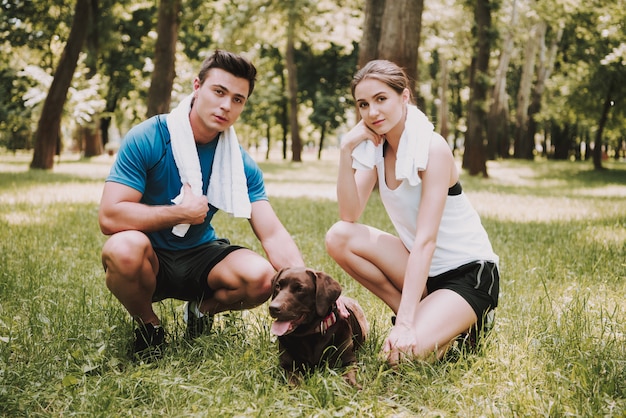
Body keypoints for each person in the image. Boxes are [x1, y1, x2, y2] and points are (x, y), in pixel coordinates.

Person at [99, 50, 304, 361]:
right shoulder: (149, 137)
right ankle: (149, 327)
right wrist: (181, 213)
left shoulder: (238, 161)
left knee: (261, 277)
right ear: (197, 86)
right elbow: (110, 216)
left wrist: (309, 285)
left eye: (238, 99)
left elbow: (272, 233)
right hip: (147, 257)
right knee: (122, 248)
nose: (226, 105)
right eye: (219, 92)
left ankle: (199, 312)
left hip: (199, 256)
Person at [325, 59, 499, 366]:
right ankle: (427, 320)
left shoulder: (432, 149)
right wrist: (345, 151)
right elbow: (348, 214)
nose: (372, 112)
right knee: (339, 236)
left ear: (404, 97)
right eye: (363, 104)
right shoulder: (375, 150)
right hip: (423, 275)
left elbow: (426, 241)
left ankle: (458, 324)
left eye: (381, 99)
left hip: (468, 274)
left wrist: (404, 324)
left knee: (397, 359)